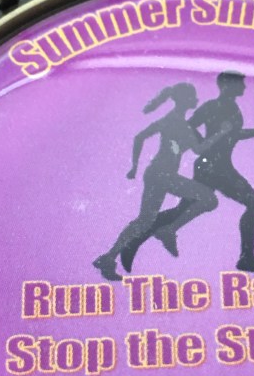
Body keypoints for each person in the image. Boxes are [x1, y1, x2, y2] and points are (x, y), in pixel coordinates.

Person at [121, 71, 254, 275]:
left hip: (219, 166)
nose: (244, 87)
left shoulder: (233, 108)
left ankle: (136, 241)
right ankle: (246, 258)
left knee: (184, 209)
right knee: (252, 204)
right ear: (227, 86)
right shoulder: (211, 106)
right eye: (240, 83)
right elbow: (189, 126)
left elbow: (233, 134)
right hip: (212, 167)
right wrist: (202, 143)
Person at [93, 83, 228, 282]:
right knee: (208, 199)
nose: (196, 100)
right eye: (193, 97)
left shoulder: (173, 121)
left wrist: (135, 167)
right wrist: (222, 132)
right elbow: (198, 149)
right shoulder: (177, 123)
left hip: (157, 174)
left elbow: (142, 137)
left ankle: (108, 257)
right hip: (162, 175)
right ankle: (168, 230)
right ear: (185, 100)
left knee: (145, 220)